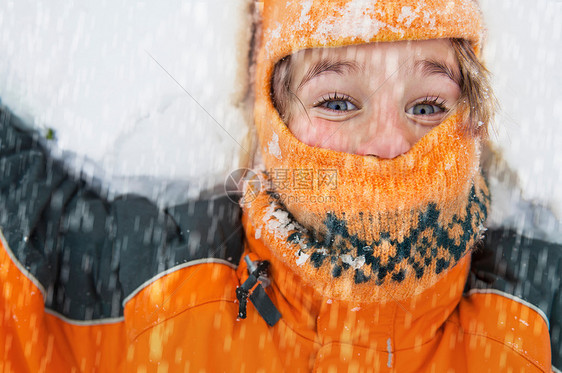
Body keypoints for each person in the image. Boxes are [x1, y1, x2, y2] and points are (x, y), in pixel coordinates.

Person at [0, 0, 559, 371]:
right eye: (338, 102)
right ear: (273, 116)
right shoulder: (153, 288)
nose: (388, 143)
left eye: (429, 105)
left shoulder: (536, 325)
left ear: (475, 122)